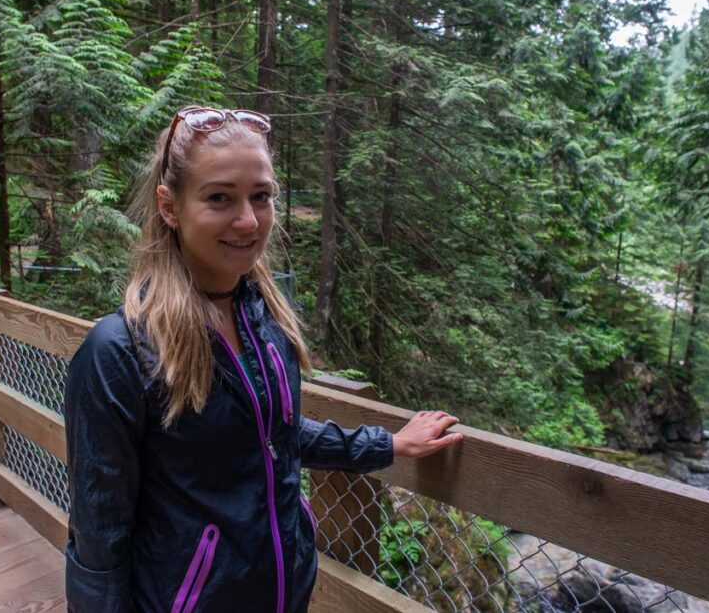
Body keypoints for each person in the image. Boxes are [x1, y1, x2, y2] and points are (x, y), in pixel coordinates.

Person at [64, 106, 464, 612]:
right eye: (219, 198)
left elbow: (274, 435)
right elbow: (99, 535)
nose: (249, 220)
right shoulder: (119, 351)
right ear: (170, 207)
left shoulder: (265, 320)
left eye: (261, 196)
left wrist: (387, 444)